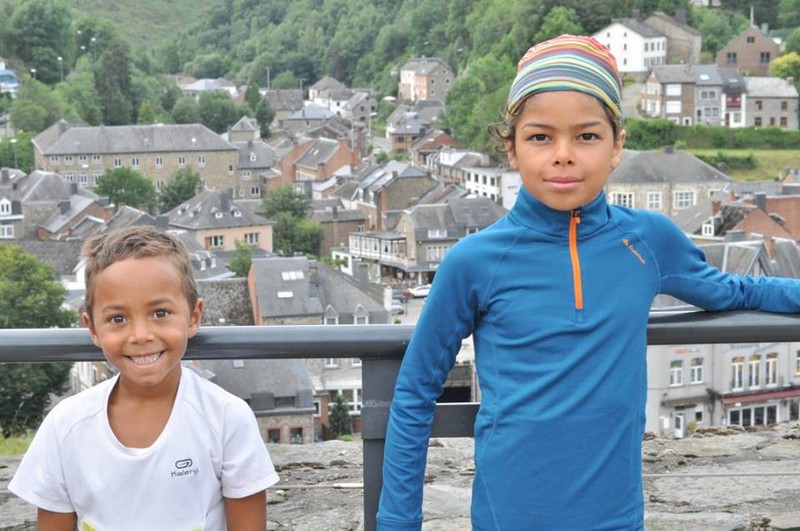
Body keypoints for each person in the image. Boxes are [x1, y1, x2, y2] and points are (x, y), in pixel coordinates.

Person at [377, 34, 800, 530]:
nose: (563, 155)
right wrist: (398, 522)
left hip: (617, 519)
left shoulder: (647, 241)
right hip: (508, 518)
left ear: (617, 146)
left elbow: (737, 290)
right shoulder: (474, 262)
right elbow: (415, 392)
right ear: (511, 148)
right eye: (540, 137)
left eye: (586, 137)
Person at [9, 226, 279, 530]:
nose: (141, 335)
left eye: (160, 313)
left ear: (194, 316)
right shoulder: (65, 426)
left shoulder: (227, 418)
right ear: (93, 328)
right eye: (118, 318)